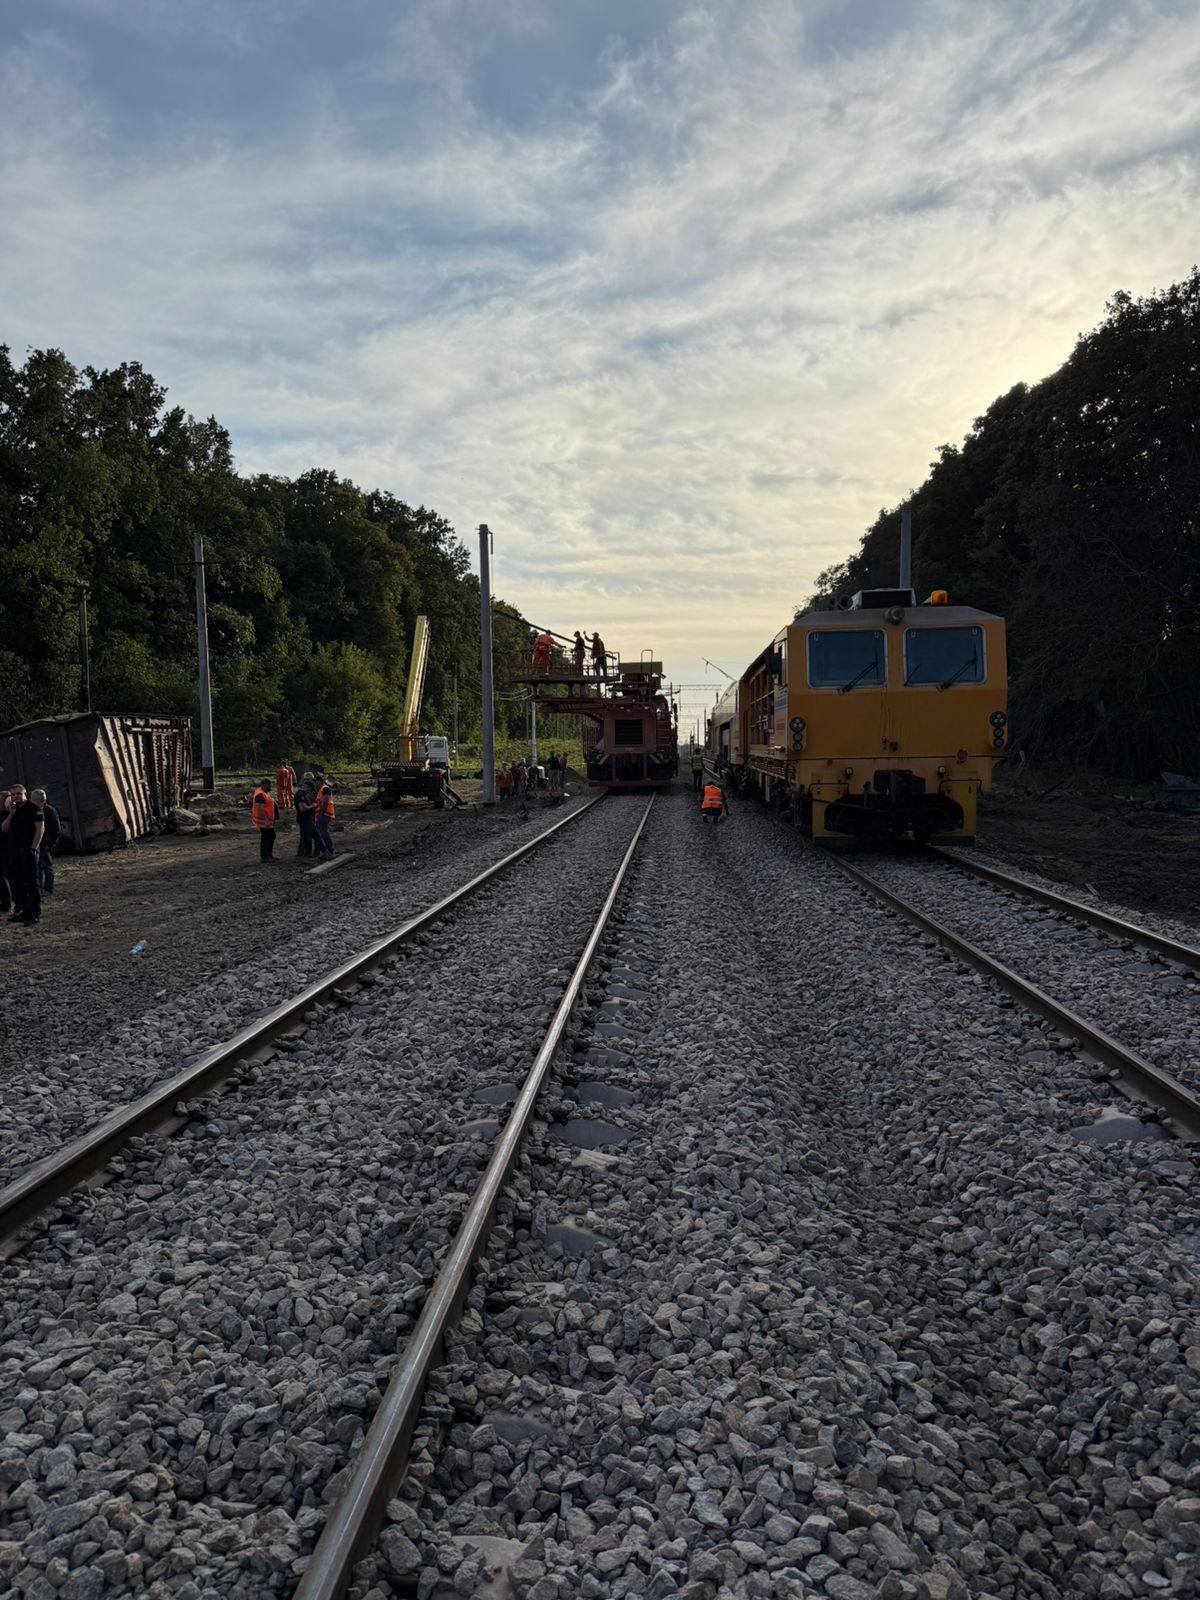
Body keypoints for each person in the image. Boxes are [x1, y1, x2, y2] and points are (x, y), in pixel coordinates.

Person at [4, 784, 44, 924]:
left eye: (18, 794)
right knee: (19, 882)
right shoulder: (14, 810)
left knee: (32, 882)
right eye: (13, 794)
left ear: (24, 793)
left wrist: (34, 848)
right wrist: (11, 814)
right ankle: (24, 911)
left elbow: (40, 829)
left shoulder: (34, 808)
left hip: (29, 851)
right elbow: (4, 829)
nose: (15, 796)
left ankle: (34, 913)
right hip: (15, 852)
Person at [31, 789, 60, 893]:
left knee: (46, 866)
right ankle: (40, 888)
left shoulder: (49, 811)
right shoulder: (32, 810)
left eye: (34, 800)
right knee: (37, 867)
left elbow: (56, 829)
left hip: (44, 843)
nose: (31, 802)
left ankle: (48, 888)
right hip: (35, 843)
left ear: (42, 801)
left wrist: (50, 843)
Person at [251, 778, 279, 862]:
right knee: (266, 838)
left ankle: (268, 855)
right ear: (264, 785)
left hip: (268, 821)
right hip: (264, 821)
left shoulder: (263, 792)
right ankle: (265, 857)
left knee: (271, 836)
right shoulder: (260, 794)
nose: (270, 787)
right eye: (269, 785)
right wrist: (265, 820)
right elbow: (260, 808)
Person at [312, 774, 335, 855]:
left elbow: (325, 804)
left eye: (316, 782)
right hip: (323, 814)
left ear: (320, 781)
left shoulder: (325, 789)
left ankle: (330, 849)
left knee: (323, 833)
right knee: (321, 833)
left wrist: (320, 814)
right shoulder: (320, 790)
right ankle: (325, 850)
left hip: (325, 814)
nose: (314, 784)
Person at [295, 773, 316, 857]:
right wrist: (312, 806)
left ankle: (305, 852)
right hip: (304, 818)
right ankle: (304, 853)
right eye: (305, 780)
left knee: (307, 835)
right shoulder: (301, 794)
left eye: (309, 779)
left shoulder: (306, 793)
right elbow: (303, 808)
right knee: (306, 836)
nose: (307, 781)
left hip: (309, 817)